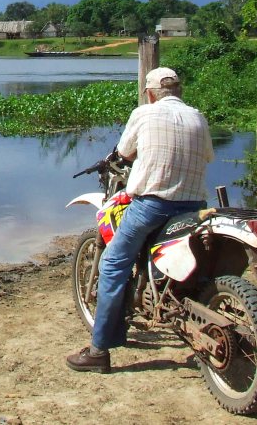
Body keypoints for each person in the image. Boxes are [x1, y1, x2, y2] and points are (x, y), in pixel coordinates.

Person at [66, 67, 214, 373]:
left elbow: (124, 153)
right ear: (179, 91)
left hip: (153, 206)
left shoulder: (144, 114)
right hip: (195, 207)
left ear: (150, 93)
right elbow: (209, 157)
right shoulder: (198, 116)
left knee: (112, 264)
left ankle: (98, 351)